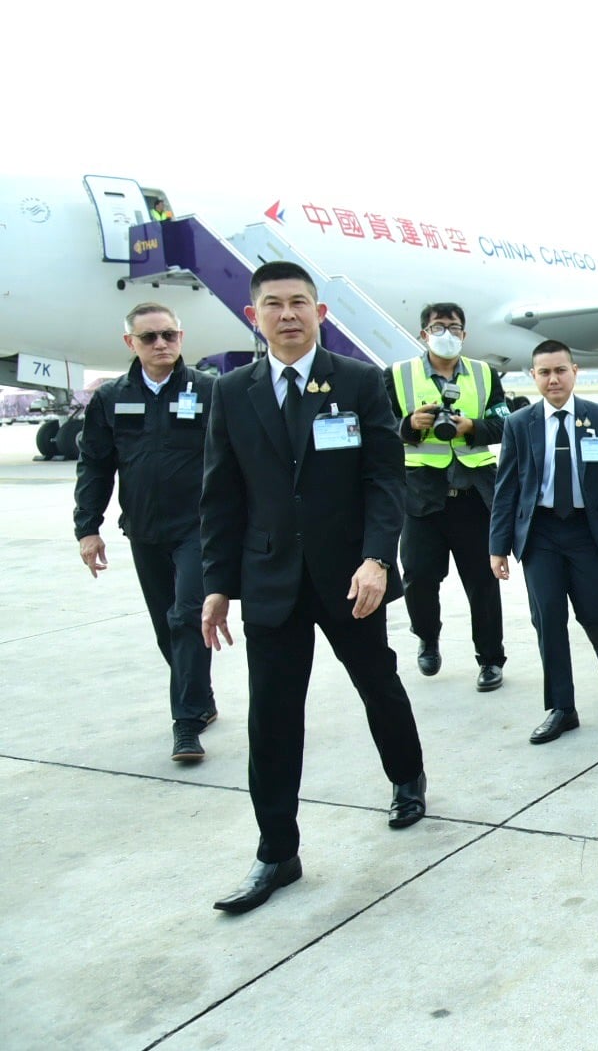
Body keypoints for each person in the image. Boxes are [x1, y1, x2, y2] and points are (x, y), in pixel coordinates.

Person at [200, 261, 426, 915]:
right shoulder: (231, 392)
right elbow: (221, 495)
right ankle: (277, 851)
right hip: (270, 577)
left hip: (350, 577)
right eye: (274, 304)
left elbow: (384, 480)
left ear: (320, 313)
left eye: (299, 302)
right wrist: (217, 584)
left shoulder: (357, 381)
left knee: (376, 682)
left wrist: (377, 559)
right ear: (254, 316)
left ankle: (407, 777)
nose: (288, 314)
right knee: (271, 716)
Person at [74, 302, 217, 762]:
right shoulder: (110, 398)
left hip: (198, 529)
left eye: (169, 335)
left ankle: (187, 723)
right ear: (130, 343)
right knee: (165, 627)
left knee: (186, 617)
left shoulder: (209, 390)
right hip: (144, 530)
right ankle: (201, 698)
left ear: (181, 337)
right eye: (149, 337)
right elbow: (95, 466)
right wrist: (87, 528)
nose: (161, 344)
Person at [490, 341, 598, 745]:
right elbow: (507, 488)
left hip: (587, 531)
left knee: (597, 611)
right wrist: (497, 546)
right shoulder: (519, 424)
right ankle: (562, 707)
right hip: (539, 534)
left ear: (575, 371)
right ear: (533, 376)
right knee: (548, 619)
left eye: (560, 370)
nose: (553, 379)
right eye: (544, 372)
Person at [390, 302, 509, 692]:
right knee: (419, 578)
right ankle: (427, 638)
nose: (447, 334)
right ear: (423, 334)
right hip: (421, 497)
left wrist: (472, 426)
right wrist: (409, 425)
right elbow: (379, 427)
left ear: (464, 334)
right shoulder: (397, 376)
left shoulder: (484, 374)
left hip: (473, 495)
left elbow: (505, 422)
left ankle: (490, 659)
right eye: (438, 327)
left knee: (483, 582)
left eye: (454, 327)